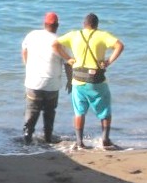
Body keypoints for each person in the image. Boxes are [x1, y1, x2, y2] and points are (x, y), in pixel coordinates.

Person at [53, 13, 124, 150]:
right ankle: (105, 140)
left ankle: (80, 142)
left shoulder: (74, 35)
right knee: (105, 111)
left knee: (79, 112)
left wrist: (68, 58)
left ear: (83, 24)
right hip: (97, 80)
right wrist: (108, 61)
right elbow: (120, 46)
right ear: (96, 25)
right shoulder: (102, 36)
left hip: (78, 80)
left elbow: (55, 44)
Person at [21, 12, 72, 144]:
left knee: (32, 109)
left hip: (33, 82)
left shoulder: (32, 35)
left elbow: (24, 51)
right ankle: (48, 137)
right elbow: (68, 64)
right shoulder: (61, 42)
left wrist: (28, 67)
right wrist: (70, 81)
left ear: (44, 24)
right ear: (57, 25)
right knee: (50, 111)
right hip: (52, 84)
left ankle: (27, 136)